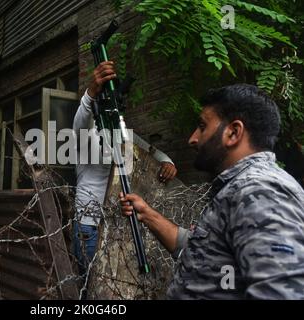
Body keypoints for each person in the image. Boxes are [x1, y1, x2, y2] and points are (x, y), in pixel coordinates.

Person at [120, 84, 304, 299]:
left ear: (233, 133)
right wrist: (147, 214)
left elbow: (283, 292)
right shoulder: (239, 189)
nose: (193, 138)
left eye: (202, 126)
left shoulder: (259, 191)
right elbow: (206, 253)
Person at [73, 61, 177, 278]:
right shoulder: (85, 133)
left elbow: (153, 152)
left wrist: (168, 163)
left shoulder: (125, 135)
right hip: (89, 225)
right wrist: (91, 92)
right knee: (90, 282)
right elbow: (81, 119)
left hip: (119, 225)